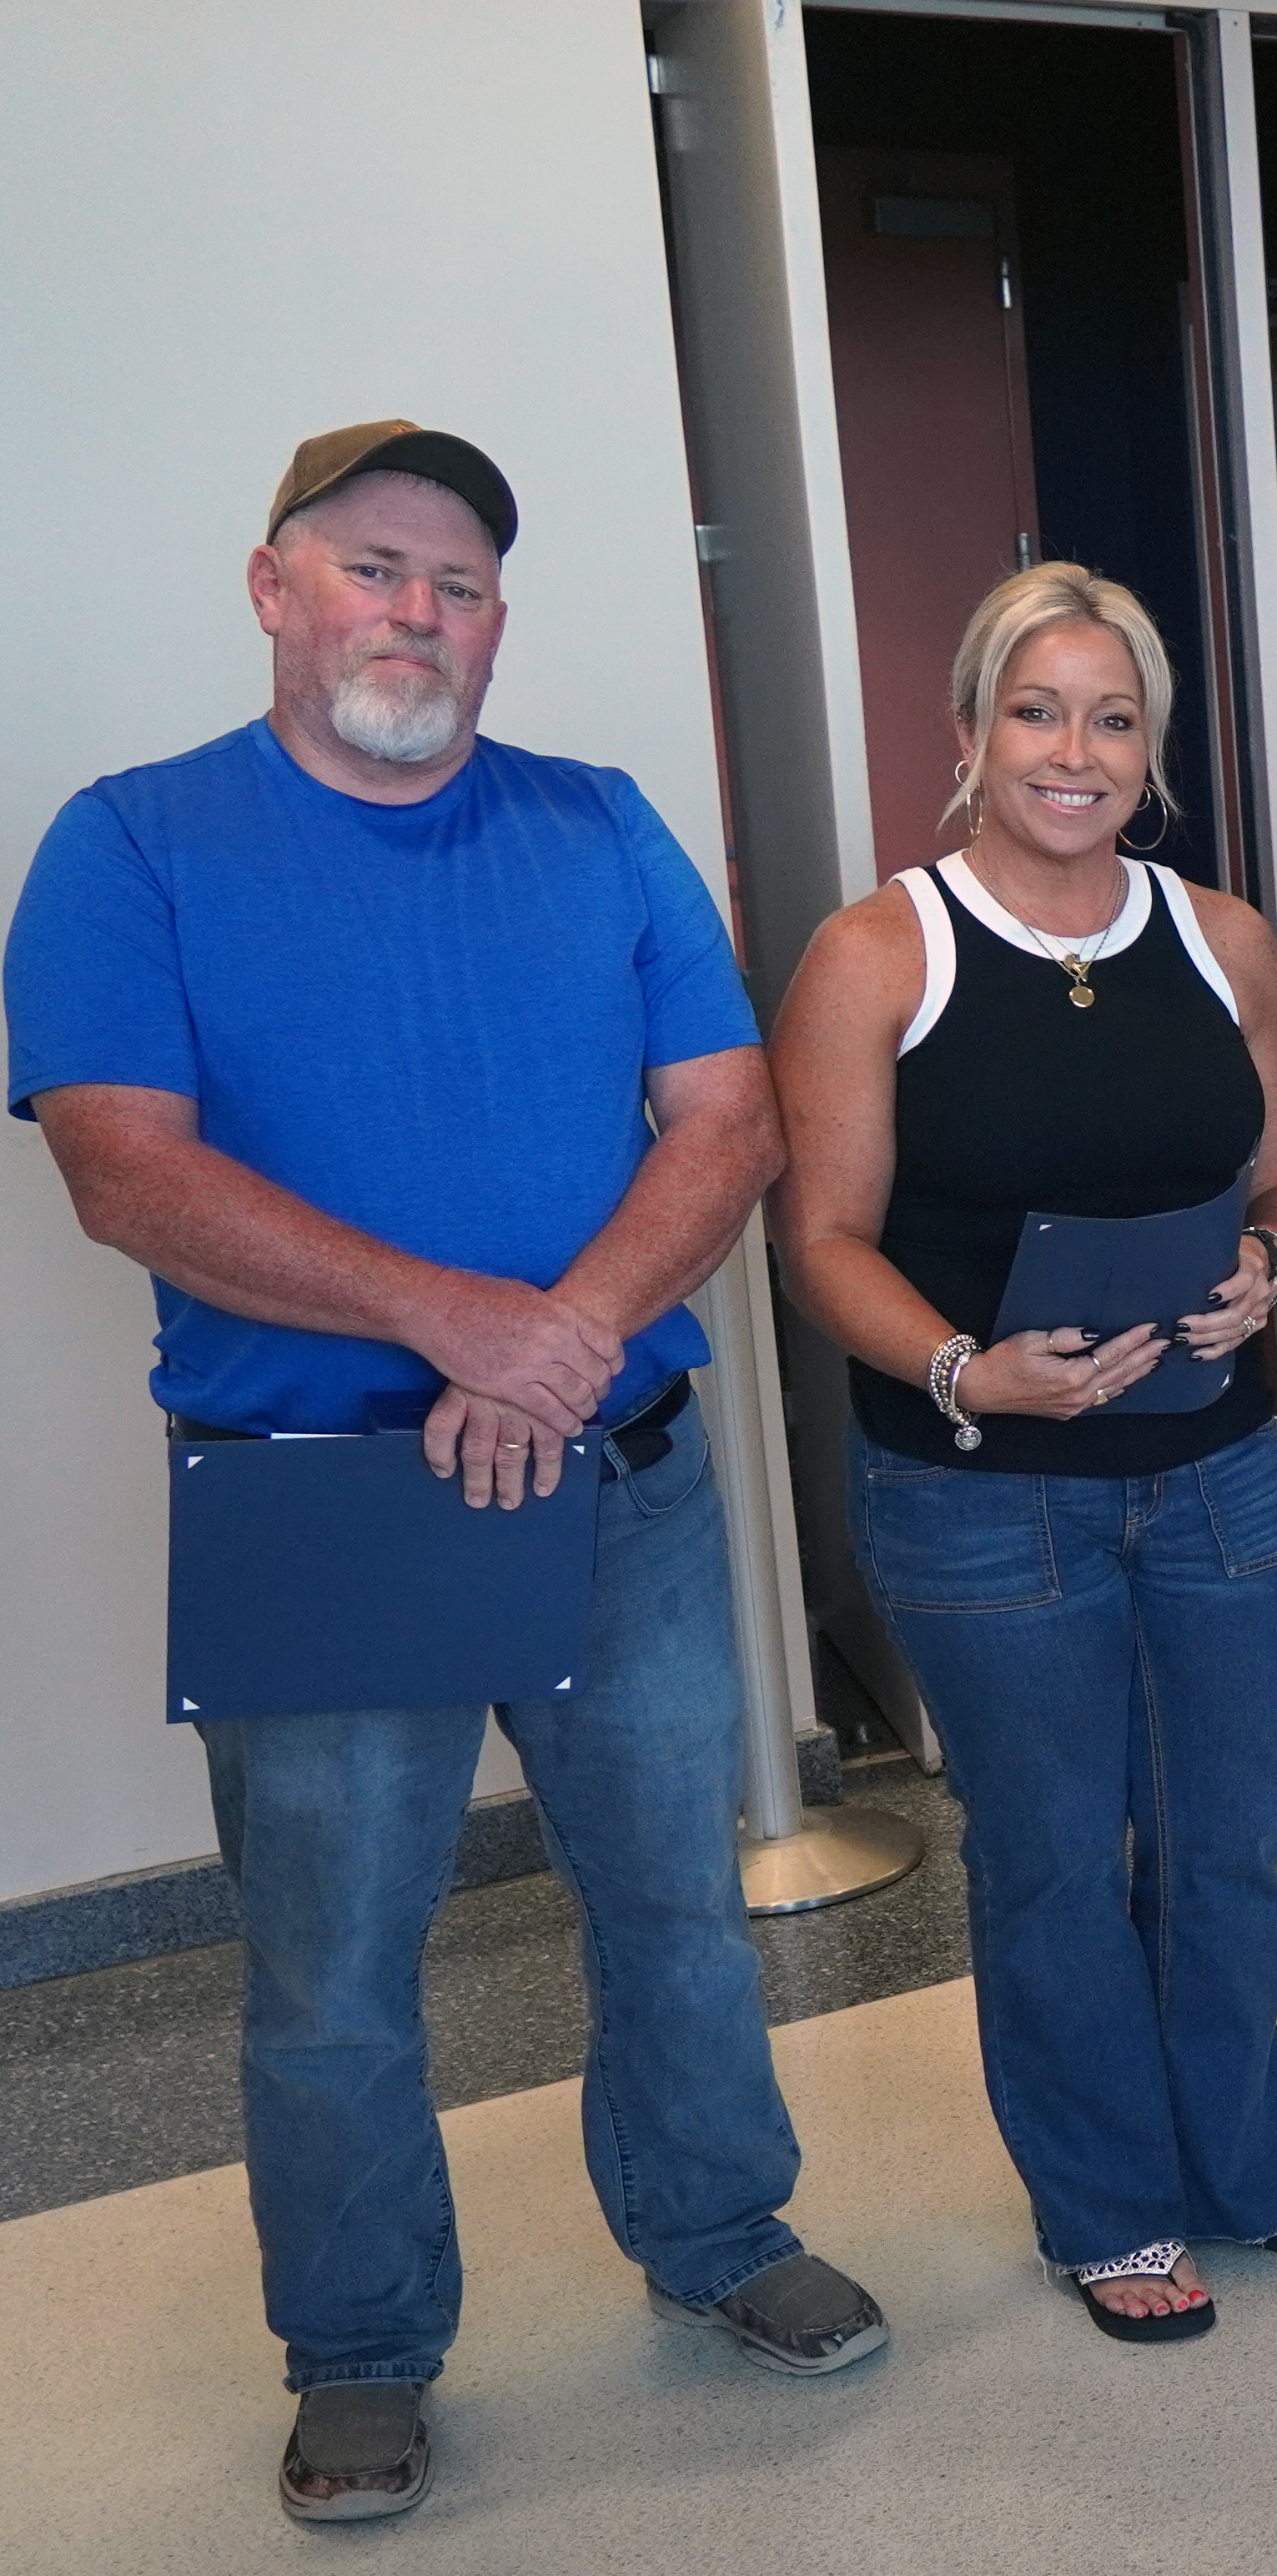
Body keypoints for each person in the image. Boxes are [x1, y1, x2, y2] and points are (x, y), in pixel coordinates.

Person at [5, 423, 884, 2523]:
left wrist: (552, 1343)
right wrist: (456, 1322)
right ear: (276, 585)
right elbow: (125, 1171)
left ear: (499, 622)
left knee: (672, 1900)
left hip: (619, 1480)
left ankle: (718, 2233)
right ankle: (364, 2343)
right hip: (320, 1505)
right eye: (379, 565)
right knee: (330, 1966)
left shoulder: (598, 826)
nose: (421, 610)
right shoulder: (130, 845)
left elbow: (729, 1121)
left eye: (461, 581)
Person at [768, 562, 1277, 2340]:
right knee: (1049, 1855)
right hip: (981, 1491)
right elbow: (822, 1240)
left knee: (1226, 1841)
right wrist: (971, 1366)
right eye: (1040, 710)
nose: (1075, 749)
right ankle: (1105, 2204)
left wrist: (1268, 1266)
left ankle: (1245, 2166)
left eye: (1115, 717)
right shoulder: (880, 949)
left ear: (1153, 750)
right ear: (970, 732)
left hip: (1215, 1470)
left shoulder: (1224, 934)